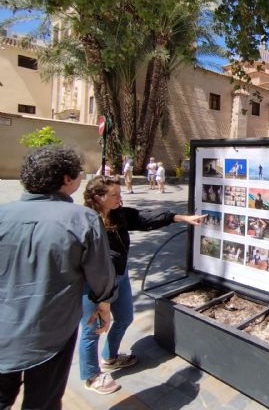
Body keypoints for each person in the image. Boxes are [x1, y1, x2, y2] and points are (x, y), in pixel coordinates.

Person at [0, 146, 116, 409]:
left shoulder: (3, 214)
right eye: (79, 172)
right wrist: (104, 304)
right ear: (66, 179)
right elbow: (100, 273)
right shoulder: (82, 219)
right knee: (44, 401)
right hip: (50, 333)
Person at [79, 176, 206, 394]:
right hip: (95, 283)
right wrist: (102, 298)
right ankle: (91, 376)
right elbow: (90, 262)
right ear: (98, 197)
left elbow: (144, 218)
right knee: (93, 330)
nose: (120, 197)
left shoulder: (119, 214)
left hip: (120, 276)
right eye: (115, 194)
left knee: (125, 317)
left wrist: (180, 217)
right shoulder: (86, 221)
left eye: (120, 193)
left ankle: (110, 357)